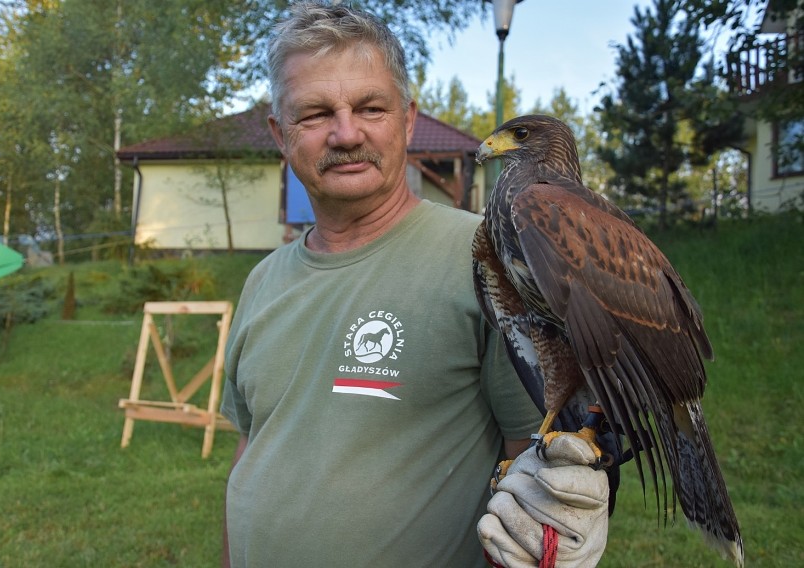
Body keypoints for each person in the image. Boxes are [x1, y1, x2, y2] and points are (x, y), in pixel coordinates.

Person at [220, 3, 608, 566]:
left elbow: (541, 459)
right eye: (314, 114)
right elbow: (253, 449)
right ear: (281, 135)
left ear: (406, 120)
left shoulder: (490, 260)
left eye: (370, 108)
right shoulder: (262, 280)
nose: (345, 133)